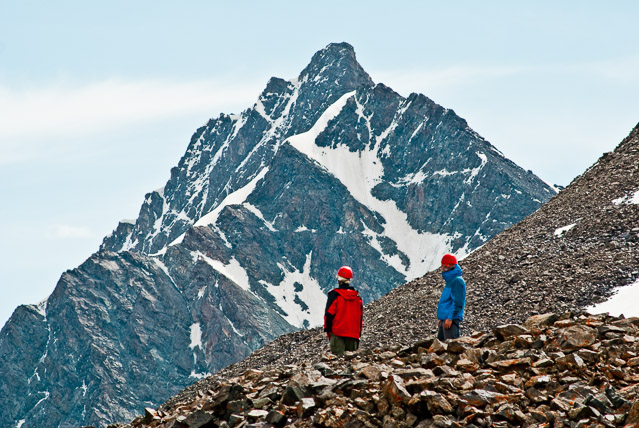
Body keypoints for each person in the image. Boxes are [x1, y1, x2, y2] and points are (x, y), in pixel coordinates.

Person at [324, 266, 363, 356]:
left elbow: (329, 315)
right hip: (353, 336)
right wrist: (358, 334)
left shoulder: (334, 295)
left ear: (339, 280)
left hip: (337, 334)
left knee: (337, 363)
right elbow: (360, 318)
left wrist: (328, 330)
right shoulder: (357, 297)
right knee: (351, 363)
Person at [436, 254, 466, 341]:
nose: (442, 268)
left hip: (450, 321)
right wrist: (441, 319)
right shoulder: (451, 281)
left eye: (443, 266)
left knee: (450, 346)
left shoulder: (457, 281)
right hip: (445, 320)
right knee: (441, 348)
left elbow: (457, 302)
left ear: (449, 266)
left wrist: (450, 318)